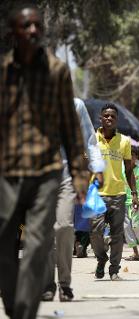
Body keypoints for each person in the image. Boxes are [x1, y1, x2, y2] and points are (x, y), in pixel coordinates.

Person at [0, 5, 89, 318]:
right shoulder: (3, 72)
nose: (33, 31)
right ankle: (14, 302)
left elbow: (70, 127)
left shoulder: (56, 71)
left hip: (47, 171)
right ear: (13, 33)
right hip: (8, 172)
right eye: (26, 26)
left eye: (37, 26)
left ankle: (24, 309)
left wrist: (80, 173)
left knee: (39, 241)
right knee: (5, 242)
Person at [43, 98, 105, 301]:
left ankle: (64, 283)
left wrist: (97, 168)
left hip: (65, 175)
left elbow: (89, 140)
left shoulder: (75, 105)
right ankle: (47, 284)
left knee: (64, 226)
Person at [90, 103, 138, 281]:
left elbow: (129, 170)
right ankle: (101, 259)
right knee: (95, 232)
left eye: (113, 116)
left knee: (117, 235)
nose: (109, 118)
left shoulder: (124, 141)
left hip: (118, 194)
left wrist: (134, 193)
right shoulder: (92, 139)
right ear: (100, 118)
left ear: (117, 121)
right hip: (97, 194)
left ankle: (114, 269)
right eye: (106, 116)